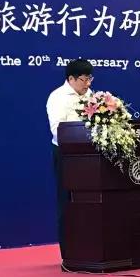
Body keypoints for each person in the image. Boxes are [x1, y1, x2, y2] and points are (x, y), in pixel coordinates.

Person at [46, 58, 94, 258]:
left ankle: (92, 248)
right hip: (67, 155)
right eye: (84, 79)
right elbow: (58, 130)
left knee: (91, 201)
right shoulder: (57, 97)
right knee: (67, 202)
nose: (87, 84)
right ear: (71, 79)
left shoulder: (92, 96)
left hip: (91, 156)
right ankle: (70, 254)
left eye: (90, 79)